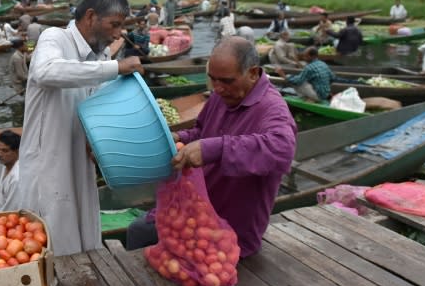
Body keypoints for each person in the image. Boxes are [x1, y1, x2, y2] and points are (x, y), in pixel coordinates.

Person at [2, 0, 144, 256]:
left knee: (84, 244)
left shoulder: (100, 54)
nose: (118, 34)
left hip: (81, 162)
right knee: (51, 246)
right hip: (48, 167)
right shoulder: (55, 38)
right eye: (114, 25)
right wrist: (116, 67)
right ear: (91, 16)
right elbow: (46, 72)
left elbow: (96, 106)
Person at [126, 37, 297, 257]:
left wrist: (214, 148)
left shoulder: (272, 108)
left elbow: (281, 149)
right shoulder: (220, 96)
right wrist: (177, 137)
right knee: (138, 231)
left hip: (231, 232)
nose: (218, 88)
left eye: (226, 81)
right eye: (212, 79)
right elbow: (201, 132)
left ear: (253, 73)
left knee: (144, 237)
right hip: (195, 210)